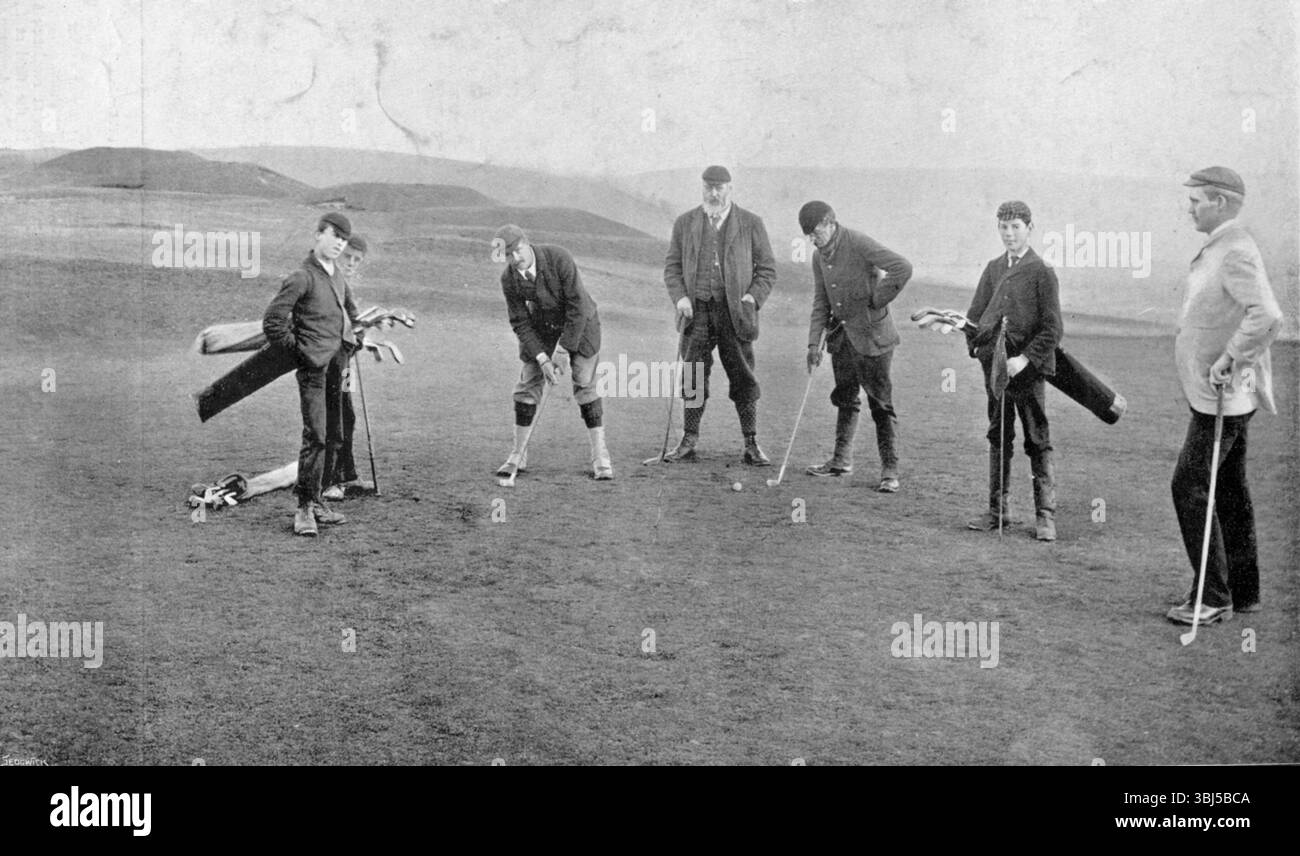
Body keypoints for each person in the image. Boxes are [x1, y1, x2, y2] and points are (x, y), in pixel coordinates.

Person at [1166, 167, 1283, 626]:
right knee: (1229, 487)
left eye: (1195, 201)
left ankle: (1212, 596)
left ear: (1219, 202)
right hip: (1219, 394)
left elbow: (1267, 315)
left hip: (1224, 396)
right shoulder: (1224, 245)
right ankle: (1243, 590)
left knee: (1189, 486)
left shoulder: (1234, 249)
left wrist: (1231, 357)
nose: (1189, 209)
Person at [662, 165, 777, 464]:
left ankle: (751, 443)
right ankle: (688, 440)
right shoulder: (685, 222)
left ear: (730, 189)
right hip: (696, 312)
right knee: (693, 375)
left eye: (719, 187)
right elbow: (672, 267)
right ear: (702, 187)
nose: (713, 193)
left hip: (734, 314)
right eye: (708, 187)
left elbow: (767, 269)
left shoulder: (751, 223)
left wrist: (752, 297)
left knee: (743, 375)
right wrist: (681, 297)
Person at [962, 201, 1063, 540]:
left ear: (1029, 228)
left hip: (1028, 371)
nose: (1009, 234)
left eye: (1016, 227)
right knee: (998, 435)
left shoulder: (1042, 271)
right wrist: (975, 346)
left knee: (1036, 437)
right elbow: (975, 315)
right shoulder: (993, 268)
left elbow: (1053, 328)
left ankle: (1045, 517)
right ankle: (997, 512)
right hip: (996, 370)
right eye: (1003, 227)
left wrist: (1025, 359)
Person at [800, 201, 913, 491]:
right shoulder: (818, 256)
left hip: (874, 337)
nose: (813, 239)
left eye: (815, 232)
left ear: (830, 223)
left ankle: (890, 472)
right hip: (842, 340)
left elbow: (902, 267)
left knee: (880, 404)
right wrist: (813, 344)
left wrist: (877, 299)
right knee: (846, 398)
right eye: (808, 235)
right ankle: (841, 461)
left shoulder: (858, 242)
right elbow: (821, 302)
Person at [263, 212, 359, 536]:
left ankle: (318, 501)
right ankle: (304, 508)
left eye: (344, 240)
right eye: (334, 236)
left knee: (334, 433)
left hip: (338, 365)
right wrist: (300, 352)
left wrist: (355, 335)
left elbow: (349, 309)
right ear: (318, 235)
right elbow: (273, 322)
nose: (339, 244)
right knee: (316, 435)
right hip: (314, 369)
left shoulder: (337, 276)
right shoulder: (301, 277)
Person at [494, 224, 612, 481]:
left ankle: (600, 455)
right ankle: (518, 454)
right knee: (527, 384)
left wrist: (562, 351)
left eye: (518, 250)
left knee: (584, 383)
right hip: (543, 332)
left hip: (582, 327)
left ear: (527, 242)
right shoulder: (509, 279)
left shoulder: (559, 258)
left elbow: (578, 306)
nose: (516, 258)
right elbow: (520, 322)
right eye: (509, 255)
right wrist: (542, 358)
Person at [324, 233, 375, 500]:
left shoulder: (342, 284)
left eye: (357, 260)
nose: (351, 263)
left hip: (343, 364)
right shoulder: (324, 281)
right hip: (325, 363)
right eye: (348, 257)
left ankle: (348, 476)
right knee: (333, 419)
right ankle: (329, 481)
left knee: (348, 416)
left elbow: (354, 317)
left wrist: (359, 336)